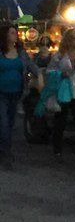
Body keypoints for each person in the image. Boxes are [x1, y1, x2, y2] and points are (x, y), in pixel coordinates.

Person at [0, 24, 43, 169]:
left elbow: (30, 65)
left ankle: (3, 148)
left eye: (15, 33)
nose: (15, 35)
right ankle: (6, 154)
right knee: (4, 123)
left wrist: (40, 74)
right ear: (5, 35)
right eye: (12, 33)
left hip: (16, 92)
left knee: (10, 123)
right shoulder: (1, 52)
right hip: (2, 93)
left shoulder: (21, 52)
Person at [51, 27, 75, 159]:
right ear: (69, 39)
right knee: (61, 120)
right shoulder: (59, 56)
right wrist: (61, 74)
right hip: (64, 91)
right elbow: (50, 72)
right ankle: (57, 149)